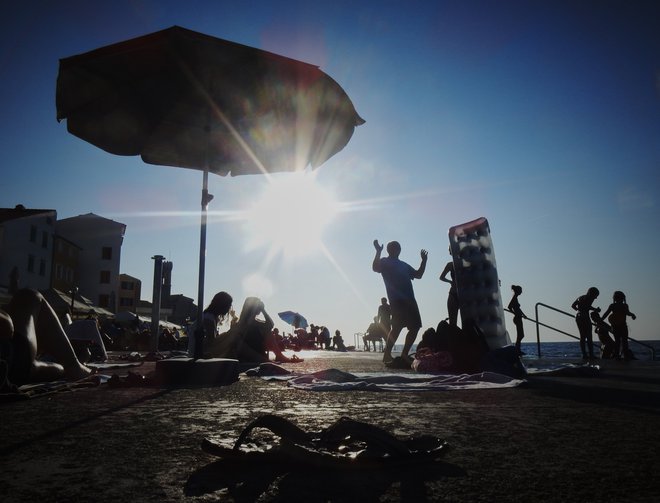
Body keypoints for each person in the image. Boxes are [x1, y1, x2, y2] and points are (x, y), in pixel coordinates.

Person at [0, 288, 93, 386]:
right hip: (10, 360)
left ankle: (72, 367)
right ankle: (74, 366)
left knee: (30, 367)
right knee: (29, 296)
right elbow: (7, 326)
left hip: (11, 366)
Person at [372, 239, 428, 365]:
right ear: (392, 250)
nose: (396, 250)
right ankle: (387, 355)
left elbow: (418, 275)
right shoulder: (385, 262)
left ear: (399, 250)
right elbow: (375, 268)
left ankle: (404, 354)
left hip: (410, 299)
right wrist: (378, 252)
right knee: (397, 327)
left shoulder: (404, 265)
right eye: (394, 248)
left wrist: (424, 261)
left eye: (396, 248)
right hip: (397, 300)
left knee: (415, 327)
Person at [207, 295, 299, 363]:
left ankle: (278, 356)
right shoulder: (244, 321)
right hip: (248, 350)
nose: (229, 308)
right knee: (239, 339)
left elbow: (270, 325)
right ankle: (271, 359)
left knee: (268, 332)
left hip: (254, 349)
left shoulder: (252, 321)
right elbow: (210, 341)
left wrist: (263, 310)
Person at [600, 291, 637, 360]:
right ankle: (625, 355)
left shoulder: (612, 306)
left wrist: (600, 320)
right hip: (622, 326)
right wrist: (633, 315)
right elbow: (627, 313)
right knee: (624, 341)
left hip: (615, 326)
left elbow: (606, 313)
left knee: (617, 341)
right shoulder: (624, 305)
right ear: (623, 298)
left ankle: (617, 355)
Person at [571, 287, 600, 360]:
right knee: (589, 336)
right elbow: (587, 306)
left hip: (578, 316)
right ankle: (591, 355)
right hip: (585, 316)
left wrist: (578, 310)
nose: (596, 298)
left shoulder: (580, 297)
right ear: (592, 294)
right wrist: (595, 309)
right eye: (596, 295)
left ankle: (584, 354)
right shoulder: (590, 298)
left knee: (582, 336)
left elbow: (573, 306)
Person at [439, 254, 459, 326]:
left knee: (467, 323)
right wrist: (450, 281)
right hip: (453, 294)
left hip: (464, 295)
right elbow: (441, 277)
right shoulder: (450, 264)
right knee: (452, 323)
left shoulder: (466, 264)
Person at [507, 285, 527, 355]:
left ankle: (517, 349)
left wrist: (523, 315)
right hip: (517, 318)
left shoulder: (516, 298)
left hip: (519, 317)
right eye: (520, 290)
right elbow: (509, 307)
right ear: (518, 291)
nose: (521, 292)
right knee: (520, 335)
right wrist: (515, 313)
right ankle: (517, 350)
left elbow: (518, 308)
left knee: (521, 335)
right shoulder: (514, 298)